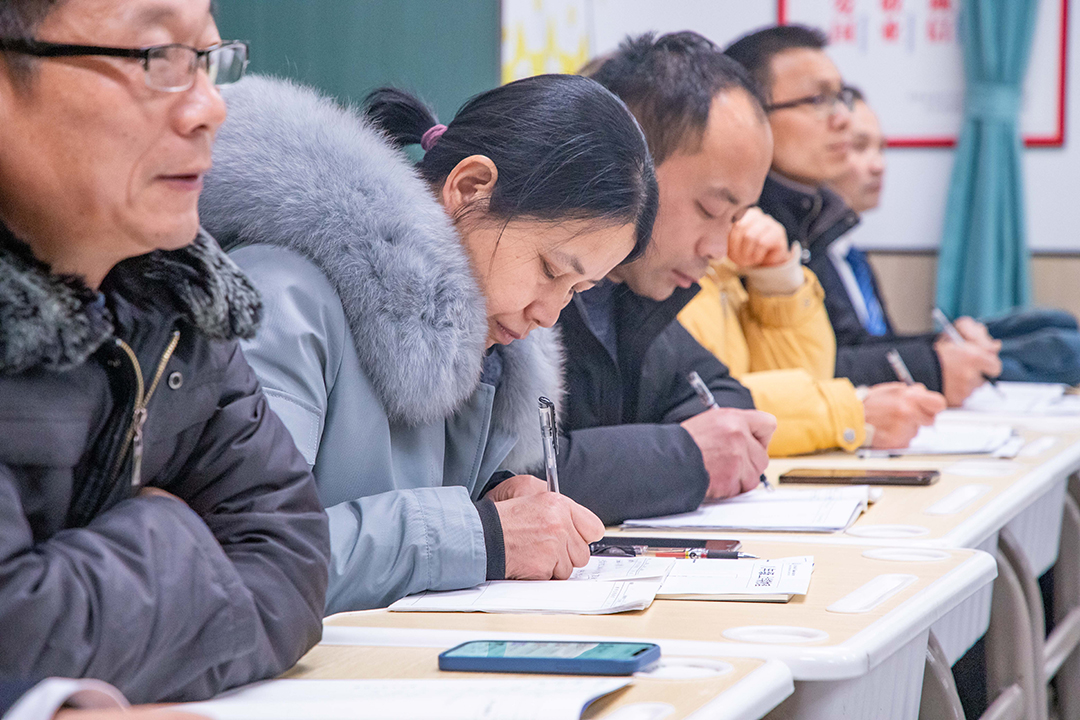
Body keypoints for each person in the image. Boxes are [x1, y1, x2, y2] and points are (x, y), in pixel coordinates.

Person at [199, 73, 658, 611]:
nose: (548, 313)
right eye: (549, 269)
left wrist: (490, 496)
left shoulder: (481, 352)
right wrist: (483, 534)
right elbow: (245, 558)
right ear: (469, 189)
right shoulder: (280, 297)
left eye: (577, 290)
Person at [0, 0, 329, 706]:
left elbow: (292, 564)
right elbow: (13, 637)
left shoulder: (176, 304)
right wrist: (175, 536)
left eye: (206, 61)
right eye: (157, 58)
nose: (210, 108)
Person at [544, 30, 776, 524]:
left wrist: (695, 446)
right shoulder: (523, 293)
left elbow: (721, 395)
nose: (718, 249)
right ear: (628, 164)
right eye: (709, 209)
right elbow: (505, 475)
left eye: (736, 219)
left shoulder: (631, 289)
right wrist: (684, 457)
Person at [726, 25, 1002, 406]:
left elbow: (845, 342)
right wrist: (931, 365)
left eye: (840, 98)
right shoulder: (736, 227)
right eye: (818, 99)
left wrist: (941, 347)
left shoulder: (813, 218)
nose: (843, 118)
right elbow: (790, 371)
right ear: (747, 114)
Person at [829, 90, 1080, 386]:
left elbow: (874, 344)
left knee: (1053, 325)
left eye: (881, 149)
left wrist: (943, 342)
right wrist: (936, 360)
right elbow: (833, 362)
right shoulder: (808, 257)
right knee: (1062, 350)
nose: (879, 165)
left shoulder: (852, 256)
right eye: (859, 147)